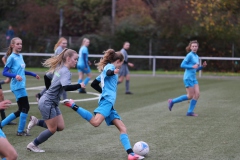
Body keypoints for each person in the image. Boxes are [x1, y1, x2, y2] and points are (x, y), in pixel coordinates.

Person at [63, 49, 144, 160]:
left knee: (123, 128)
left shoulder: (107, 68)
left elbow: (95, 84)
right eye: (120, 65)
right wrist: (113, 72)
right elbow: (108, 72)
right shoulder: (110, 67)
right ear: (119, 61)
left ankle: (131, 154)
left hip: (109, 103)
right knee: (96, 123)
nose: (119, 67)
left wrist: (104, 92)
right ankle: (73, 105)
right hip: (107, 102)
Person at [26, 48, 85, 152]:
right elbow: (66, 87)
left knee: (60, 126)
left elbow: (46, 77)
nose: (76, 61)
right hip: (47, 103)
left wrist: (49, 90)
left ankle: (36, 121)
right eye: (75, 59)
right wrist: (79, 85)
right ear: (68, 58)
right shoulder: (66, 71)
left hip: (52, 102)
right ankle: (33, 145)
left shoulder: (59, 67)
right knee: (52, 129)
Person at [1, 37, 40, 136]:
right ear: (12, 45)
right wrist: (15, 76)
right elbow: (4, 72)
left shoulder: (20, 56)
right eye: (17, 44)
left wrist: (33, 74)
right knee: (25, 107)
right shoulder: (11, 57)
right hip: (17, 86)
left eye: (21, 44)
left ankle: (1, 124)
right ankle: (20, 131)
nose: (20, 46)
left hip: (21, 85)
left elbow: (22, 71)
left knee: (21, 109)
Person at [168, 40, 207, 116]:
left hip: (193, 78)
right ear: (190, 47)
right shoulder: (189, 55)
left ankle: (189, 112)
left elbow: (195, 69)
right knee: (190, 96)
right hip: (188, 78)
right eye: (193, 46)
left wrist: (202, 67)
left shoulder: (196, 56)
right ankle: (172, 101)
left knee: (197, 94)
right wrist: (192, 66)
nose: (194, 47)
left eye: (196, 46)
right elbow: (182, 65)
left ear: (198, 47)